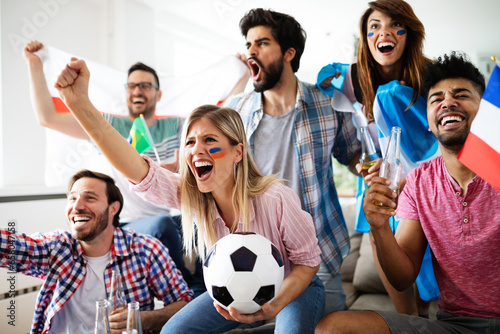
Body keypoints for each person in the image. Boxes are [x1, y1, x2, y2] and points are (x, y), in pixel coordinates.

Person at [53, 54, 326, 333]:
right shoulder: (191, 196)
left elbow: (307, 263)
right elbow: (136, 167)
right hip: (229, 290)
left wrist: (273, 305)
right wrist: (79, 104)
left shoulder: (275, 198)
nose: (196, 150)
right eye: (190, 142)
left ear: (237, 152)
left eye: (210, 140)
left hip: (292, 287)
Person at [315, 52, 500, 334]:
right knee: (333, 328)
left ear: (484, 111)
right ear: (427, 121)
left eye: (461, 95)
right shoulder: (418, 182)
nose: (447, 102)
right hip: (455, 326)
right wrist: (379, 226)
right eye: (436, 99)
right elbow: (402, 277)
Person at [23, 40, 204, 294]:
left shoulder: (176, 126)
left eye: (145, 85)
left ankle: (212, 293)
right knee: (163, 225)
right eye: (132, 85)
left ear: (158, 94)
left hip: (175, 217)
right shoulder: (105, 126)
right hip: (131, 222)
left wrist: (238, 77)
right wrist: (35, 65)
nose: (137, 90)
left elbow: (217, 117)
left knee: (207, 217)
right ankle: (189, 291)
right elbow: (47, 117)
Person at [224, 8, 361, 314]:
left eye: (261, 43)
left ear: (289, 53)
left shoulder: (329, 104)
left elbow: (353, 157)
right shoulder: (236, 111)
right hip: (249, 259)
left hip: (318, 255)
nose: (251, 52)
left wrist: (376, 167)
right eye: (248, 45)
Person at [318, 0, 438, 315]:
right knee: (380, 239)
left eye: (393, 24)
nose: (383, 32)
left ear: (408, 33)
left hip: (429, 182)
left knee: (424, 252)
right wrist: (364, 168)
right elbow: (354, 152)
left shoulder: (431, 76)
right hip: (382, 180)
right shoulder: (355, 79)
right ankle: (407, 321)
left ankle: (426, 316)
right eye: (374, 26)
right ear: (366, 37)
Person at [0, 169, 193, 334]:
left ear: (113, 209)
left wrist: (140, 319)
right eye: (72, 198)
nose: (77, 206)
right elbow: (10, 246)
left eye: (89, 198)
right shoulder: (57, 247)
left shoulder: (146, 250)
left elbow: (184, 306)